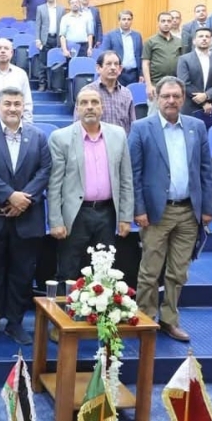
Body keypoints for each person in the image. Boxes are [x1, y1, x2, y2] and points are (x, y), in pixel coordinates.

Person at [128, 76, 212, 342]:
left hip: (189, 212)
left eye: (176, 96)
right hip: (156, 212)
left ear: (183, 97)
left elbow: (206, 170)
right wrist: (139, 209)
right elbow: (134, 173)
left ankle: (169, 320)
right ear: (156, 98)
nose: (171, 101)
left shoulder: (197, 127)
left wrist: (207, 208)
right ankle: (144, 318)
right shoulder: (141, 128)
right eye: (166, 96)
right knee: (150, 271)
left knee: (178, 272)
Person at [0, 87, 51, 345]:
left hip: (27, 217)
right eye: (8, 104)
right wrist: (10, 196)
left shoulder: (38, 136)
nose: (13, 108)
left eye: (17, 103)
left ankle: (15, 323)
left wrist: (23, 200)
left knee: (22, 274)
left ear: (24, 106)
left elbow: (45, 170)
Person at [48, 88, 133, 300]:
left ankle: (99, 315)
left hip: (107, 213)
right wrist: (55, 221)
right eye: (84, 103)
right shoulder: (61, 138)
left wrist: (125, 216)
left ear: (102, 108)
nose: (90, 107)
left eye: (95, 102)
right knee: (68, 270)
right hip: (75, 215)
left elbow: (126, 179)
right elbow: (54, 184)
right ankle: (64, 316)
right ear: (77, 108)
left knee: (104, 270)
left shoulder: (118, 135)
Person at [77, 51, 136, 134]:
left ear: (120, 69)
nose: (113, 68)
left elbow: (132, 124)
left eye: (116, 64)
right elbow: (77, 123)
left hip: (120, 141)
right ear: (98, 68)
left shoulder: (126, 94)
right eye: (108, 64)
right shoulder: (87, 92)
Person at [177, 27, 212, 116]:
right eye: (201, 36)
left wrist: (206, 95)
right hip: (190, 107)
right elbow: (184, 83)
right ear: (194, 41)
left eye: (207, 36)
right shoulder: (184, 59)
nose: (204, 39)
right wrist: (203, 103)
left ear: (210, 40)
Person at [100, 10, 143, 86]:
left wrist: (141, 74)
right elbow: (104, 55)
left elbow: (141, 55)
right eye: (124, 19)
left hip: (134, 74)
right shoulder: (111, 35)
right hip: (117, 73)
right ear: (119, 21)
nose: (126, 22)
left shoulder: (137, 36)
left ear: (131, 21)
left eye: (129, 19)